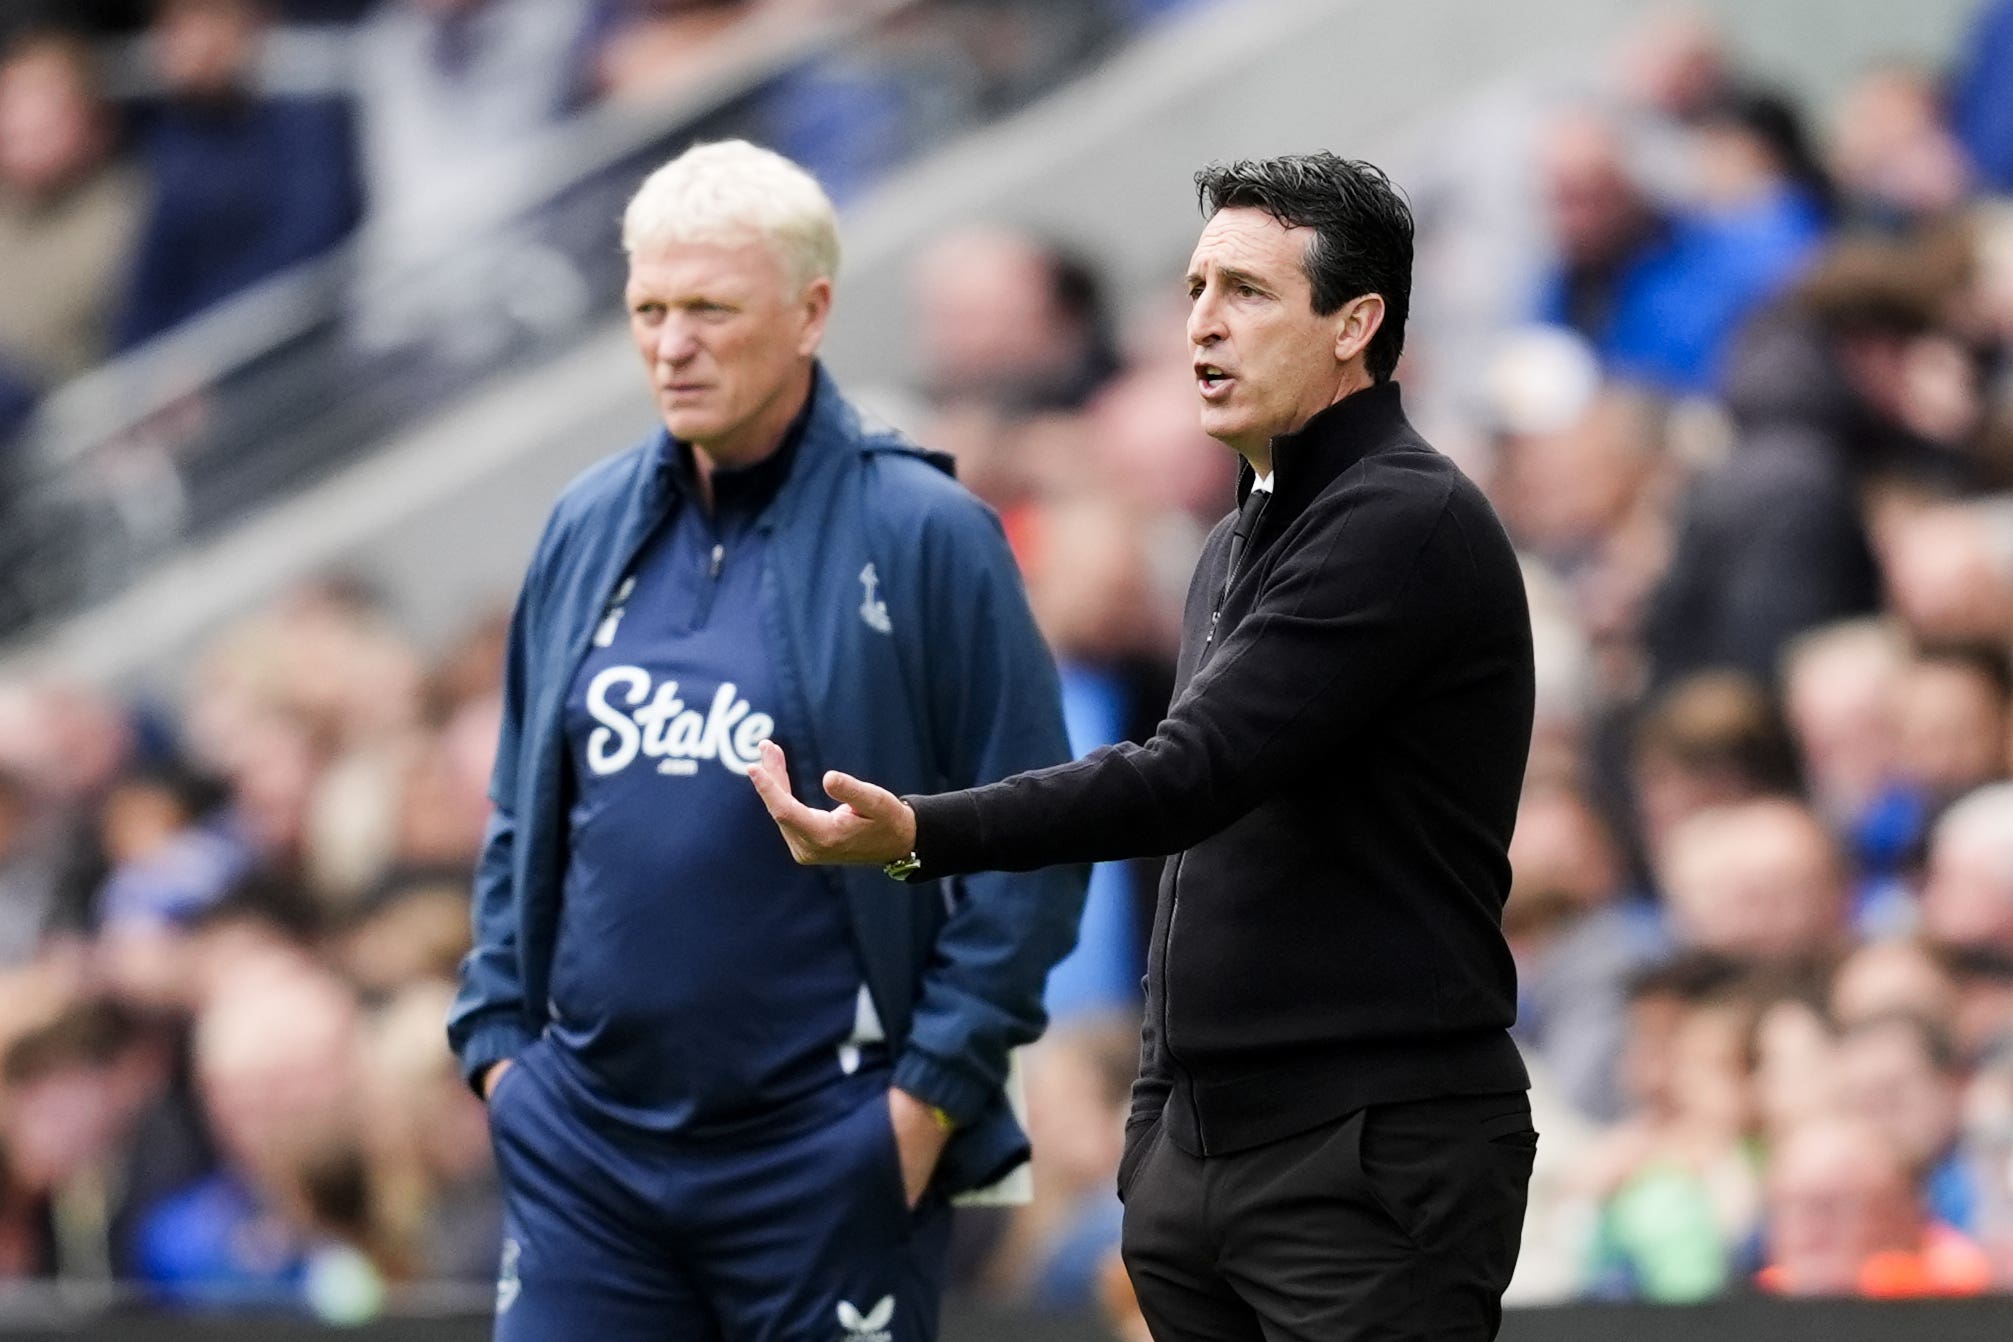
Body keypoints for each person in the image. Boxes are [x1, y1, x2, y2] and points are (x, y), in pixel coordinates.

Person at [753, 152, 1538, 1342]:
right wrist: (1160, 1127)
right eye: (1193, 289)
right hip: (1209, 1153)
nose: (1203, 326)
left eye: (1249, 293)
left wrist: (923, 833)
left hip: (1366, 1148)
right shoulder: (1232, 542)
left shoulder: (1404, 517)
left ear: (1355, 324)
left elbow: (1188, 778)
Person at [446, 140, 1084, 1342]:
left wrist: (928, 1097)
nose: (672, 344)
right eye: (649, 309)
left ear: (811, 312)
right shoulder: (585, 523)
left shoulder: (929, 532)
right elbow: (523, 815)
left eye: (710, 309)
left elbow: (1038, 838)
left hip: (825, 1152)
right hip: (585, 1153)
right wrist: (500, 1052)